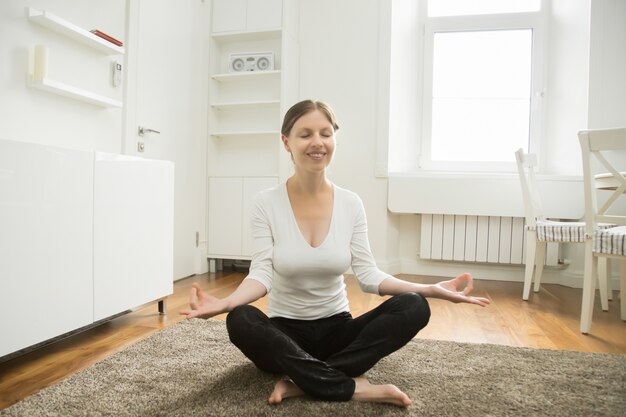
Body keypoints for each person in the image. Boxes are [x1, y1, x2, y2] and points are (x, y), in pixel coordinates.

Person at [180, 99, 490, 407]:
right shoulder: (266, 202)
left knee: (415, 306)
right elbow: (261, 273)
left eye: (326, 133)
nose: (317, 143)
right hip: (285, 336)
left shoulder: (350, 203)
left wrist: (430, 289)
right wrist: (225, 303)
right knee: (241, 319)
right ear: (286, 142)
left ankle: (302, 381)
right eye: (305, 134)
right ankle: (352, 386)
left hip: (339, 331)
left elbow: (368, 276)